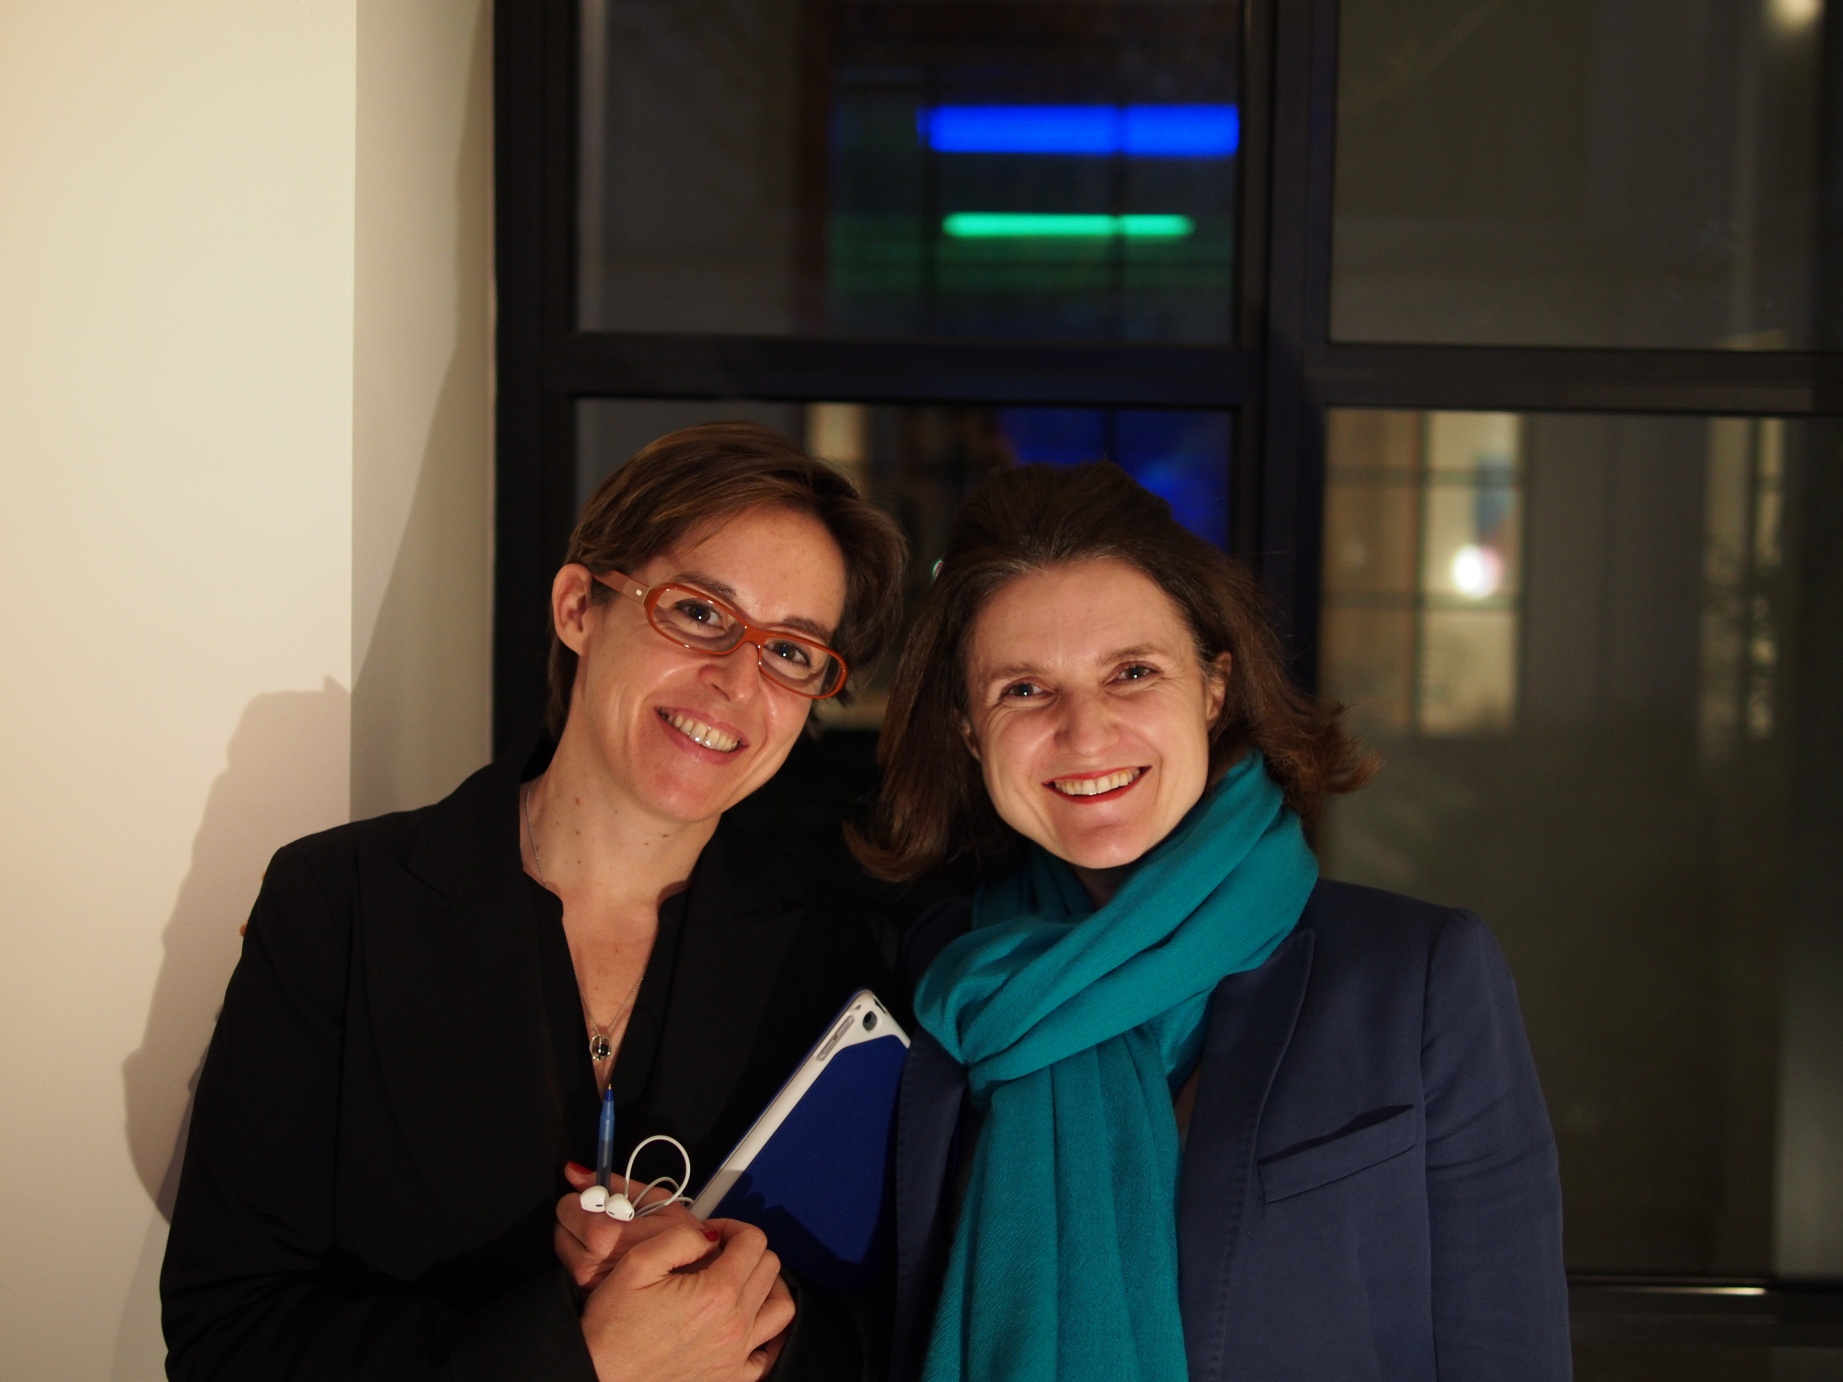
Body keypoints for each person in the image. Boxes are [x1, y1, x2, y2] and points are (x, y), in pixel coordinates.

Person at [161, 424, 910, 1382]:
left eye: (793, 653)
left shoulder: (837, 949)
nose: (735, 681)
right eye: (698, 612)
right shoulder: (339, 905)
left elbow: (875, 1331)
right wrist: (580, 1358)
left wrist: (752, 1331)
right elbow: (227, 1335)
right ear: (577, 607)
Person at [853, 462, 1570, 1382]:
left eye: (1132, 673)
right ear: (966, 729)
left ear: (1212, 688)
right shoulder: (925, 983)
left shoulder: (1416, 976)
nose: (1084, 732)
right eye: (1023, 690)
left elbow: (1505, 1347)